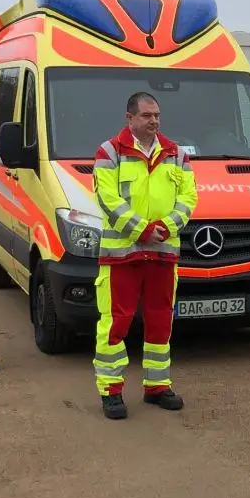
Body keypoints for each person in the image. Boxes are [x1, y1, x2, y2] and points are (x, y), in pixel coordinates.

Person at [91, 91, 198, 419]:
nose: (154, 121)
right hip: (122, 255)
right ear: (130, 118)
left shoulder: (176, 154)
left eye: (157, 115)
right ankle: (111, 391)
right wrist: (141, 230)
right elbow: (107, 199)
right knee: (115, 322)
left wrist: (165, 227)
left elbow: (189, 198)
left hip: (163, 254)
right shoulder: (109, 152)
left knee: (161, 320)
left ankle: (157, 386)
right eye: (147, 115)